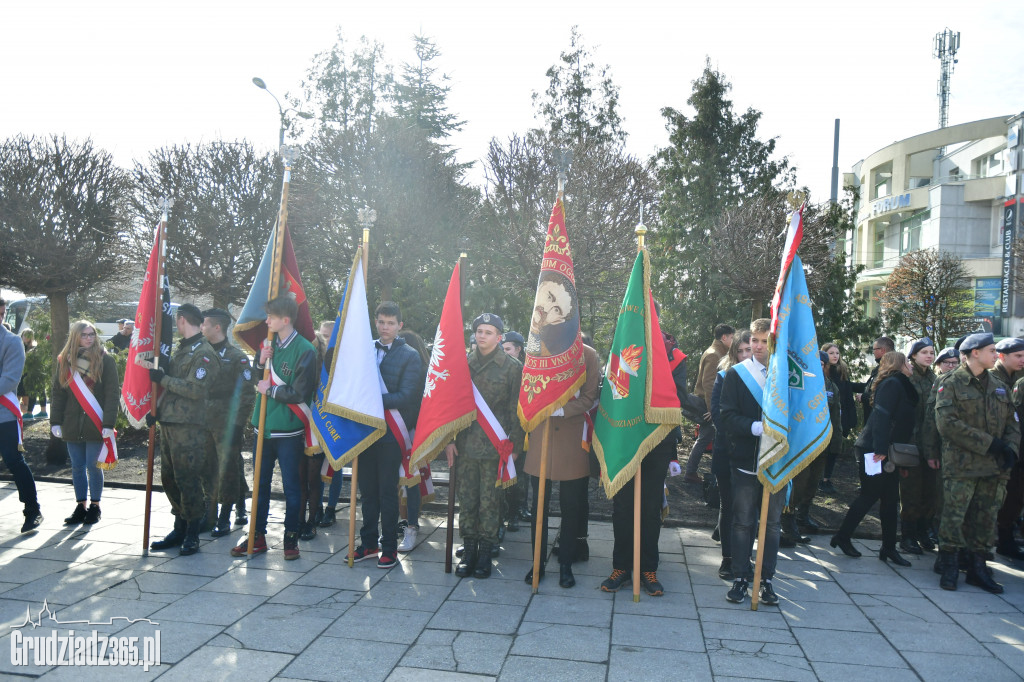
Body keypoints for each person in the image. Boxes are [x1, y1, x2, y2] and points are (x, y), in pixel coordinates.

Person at [601, 317, 689, 597]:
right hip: (625, 437)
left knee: (650, 509)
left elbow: (679, 399)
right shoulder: (623, 348)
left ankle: (648, 568)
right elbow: (614, 393)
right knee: (623, 507)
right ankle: (621, 567)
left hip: (657, 441)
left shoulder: (674, 357)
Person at [231, 295, 317, 560]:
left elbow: (301, 393)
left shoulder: (305, 349)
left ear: (285, 320)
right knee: (260, 485)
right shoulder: (267, 344)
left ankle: (291, 538)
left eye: (271, 317)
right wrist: (260, 362)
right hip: (263, 425)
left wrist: (273, 389)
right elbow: (256, 381)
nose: (266, 321)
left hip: (288, 429)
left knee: (292, 486)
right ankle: (256, 536)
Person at [935, 332, 1019, 593]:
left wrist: (1011, 449)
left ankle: (977, 568)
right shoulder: (951, 382)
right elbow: (947, 424)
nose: (996, 355)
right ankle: (949, 563)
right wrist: (990, 443)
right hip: (962, 465)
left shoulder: (998, 385)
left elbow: (1012, 422)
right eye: (992, 350)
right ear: (975, 353)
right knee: (954, 515)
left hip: (994, 468)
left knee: (986, 517)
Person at [446, 313, 524, 579]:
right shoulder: (461, 364)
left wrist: (515, 445)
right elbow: (450, 405)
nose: (482, 336)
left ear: (500, 337)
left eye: (489, 332)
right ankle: (468, 551)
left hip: (495, 447)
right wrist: (449, 440)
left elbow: (517, 409)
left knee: (490, 502)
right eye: (479, 331)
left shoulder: (512, 367)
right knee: (467, 501)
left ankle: (486, 553)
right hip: (466, 445)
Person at [350, 302, 423, 569]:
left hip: (392, 434)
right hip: (365, 432)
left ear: (399, 325)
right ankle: (368, 543)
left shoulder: (411, 356)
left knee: (387, 494)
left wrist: (369, 400)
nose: (385, 327)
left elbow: (407, 396)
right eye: (381, 322)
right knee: (367, 493)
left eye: (390, 323)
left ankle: (389, 547)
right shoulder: (364, 349)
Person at [523, 342, 600, 588]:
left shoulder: (587, 354)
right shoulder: (537, 352)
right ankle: (537, 563)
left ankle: (566, 562)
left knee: (571, 507)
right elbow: (526, 390)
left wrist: (561, 409)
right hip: (542, 434)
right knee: (539, 507)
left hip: (572, 436)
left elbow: (589, 397)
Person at [829, 351, 916, 568]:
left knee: (889, 500)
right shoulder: (892, 384)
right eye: (908, 361)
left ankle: (888, 547)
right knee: (869, 495)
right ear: (899, 364)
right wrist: (880, 449)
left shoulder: (900, 383)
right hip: (875, 450)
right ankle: (842, 536)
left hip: (887, 450)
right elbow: (882, 416)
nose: (911, 365)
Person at [148, 304, 220, 555]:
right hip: (169, 421)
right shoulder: (182, 351)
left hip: (189, 426)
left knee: (187, 479)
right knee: (169, 478)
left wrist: (163, 379)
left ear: (181, 321)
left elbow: (195, 390)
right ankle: (178, 526)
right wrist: (153, 410)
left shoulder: (203, 354)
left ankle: (192, 532)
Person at [721, 318, 783, 606]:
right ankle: (740, 577)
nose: (758, 346)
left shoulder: (786, 375)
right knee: (743, 522)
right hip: (746, 460)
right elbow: (727, 416)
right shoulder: (737, 374)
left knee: (771, 524)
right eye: (754, 341)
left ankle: (766, 579)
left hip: (778, 463)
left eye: (763, 341)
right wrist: (756, 427)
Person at [50, 321, 119, 525]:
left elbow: (112, 394)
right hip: (72, 423)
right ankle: (80, 506)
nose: (89, 338)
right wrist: (55, 421)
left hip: (95, 422)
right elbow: (58, 393)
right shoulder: (65, 361)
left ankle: (95, 507)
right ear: (75, 337)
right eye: (85, 335)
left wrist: (108, 423)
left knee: (92, 466)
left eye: (92, 335)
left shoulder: (106, 361)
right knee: (77, 467)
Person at [200, 308, 255, 538]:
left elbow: (247, 394)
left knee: (229, 469)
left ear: (217, 327)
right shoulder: (200, 353)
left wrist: (237, 425)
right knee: (207, 468)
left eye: (204, 324)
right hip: (203, 420)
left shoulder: (236, 357)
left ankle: (225, 514)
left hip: (227, 422)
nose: (200, 328)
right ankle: (209, 512)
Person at [710, 330, 751, 581]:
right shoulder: (724, 376)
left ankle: (744, 557)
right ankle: (728, 558)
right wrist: (746, 430)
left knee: (748, 510)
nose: (746, 354)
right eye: (741, 350)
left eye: (750, 349)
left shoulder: (764, 377)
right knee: (729, 506)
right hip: (728, 452)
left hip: (754, 455)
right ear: (734, 353)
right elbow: (717, 415)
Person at [788, 351, 840, 541]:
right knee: (800, 482)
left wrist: (836, 443)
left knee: (813, 482)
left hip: (822, 443)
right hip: (802, 442)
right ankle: (789, 518)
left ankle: (803, 515)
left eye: (821, 363)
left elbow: (835, 417)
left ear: (825, 365)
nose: (817, 366)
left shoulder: (831, 386)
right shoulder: (799, 383)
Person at [0, 320, 43, 533]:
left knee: (14, 461)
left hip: (4, 414)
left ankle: (32, 509)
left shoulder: (11, 342)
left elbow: (9, 379)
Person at [898, 337, 939, 555]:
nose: (929, 356)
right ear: (913, 355)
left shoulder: (937, 378)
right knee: (911, 492)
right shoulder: (908, 378)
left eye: (932, 352)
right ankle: (908, 535)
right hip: (911, 444)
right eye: (924, 352)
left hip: (931, 445)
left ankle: (924, 531)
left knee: (930, 492)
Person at [684, 324, 735, 483]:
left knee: (705, 438)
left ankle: (690, 472)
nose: (734, 341)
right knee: (705, 438)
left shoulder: (716, 352)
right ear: (724, 338)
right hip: (706, 404)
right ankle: (690, 473)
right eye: (732, 338)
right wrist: (712, 409)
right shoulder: (715, 355)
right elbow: (709, 384)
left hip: (707, 403)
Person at [396, 329, 431, 552]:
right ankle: (405, 522)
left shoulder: (424, 372)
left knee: (411, 478)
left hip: (411, 430)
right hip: (398, 428)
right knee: (402, 479)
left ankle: (411, 524)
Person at [994, 337, 1024, 560]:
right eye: (1019, 356)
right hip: (999, 449)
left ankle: (1005, 539)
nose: (1023, 360)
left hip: (1016, 449)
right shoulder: (993, 379)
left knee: (1014, 498)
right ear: (1002, 356)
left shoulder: (1017, 377)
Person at [819, 342, 856, 494]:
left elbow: (847, 398)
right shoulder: (822, 372)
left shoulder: (842, 372)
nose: (835, 356)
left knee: (834, 449)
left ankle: (827, 478)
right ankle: (820, 479)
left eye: (837, 353)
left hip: (839, 419)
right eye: (831, 353)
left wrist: (849, 421)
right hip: (824, 419)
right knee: (824, 451)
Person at [858, 337, 895, 426]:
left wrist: (863, 397)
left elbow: (884, 396)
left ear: (882, 350)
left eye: (874, 349)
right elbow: (869, 387)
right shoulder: (879, 369)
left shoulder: (890, 369)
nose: (873, 352)